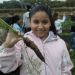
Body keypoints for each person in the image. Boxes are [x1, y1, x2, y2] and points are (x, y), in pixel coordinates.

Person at [0, 4, 74, 75]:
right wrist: (8, 46)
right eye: (36, 22)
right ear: (30, 23)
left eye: (45, 22)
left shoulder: (60, 43)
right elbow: (7, 68)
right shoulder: (21, 42)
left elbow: (66, 69)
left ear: (50, 23)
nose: (40, 27)